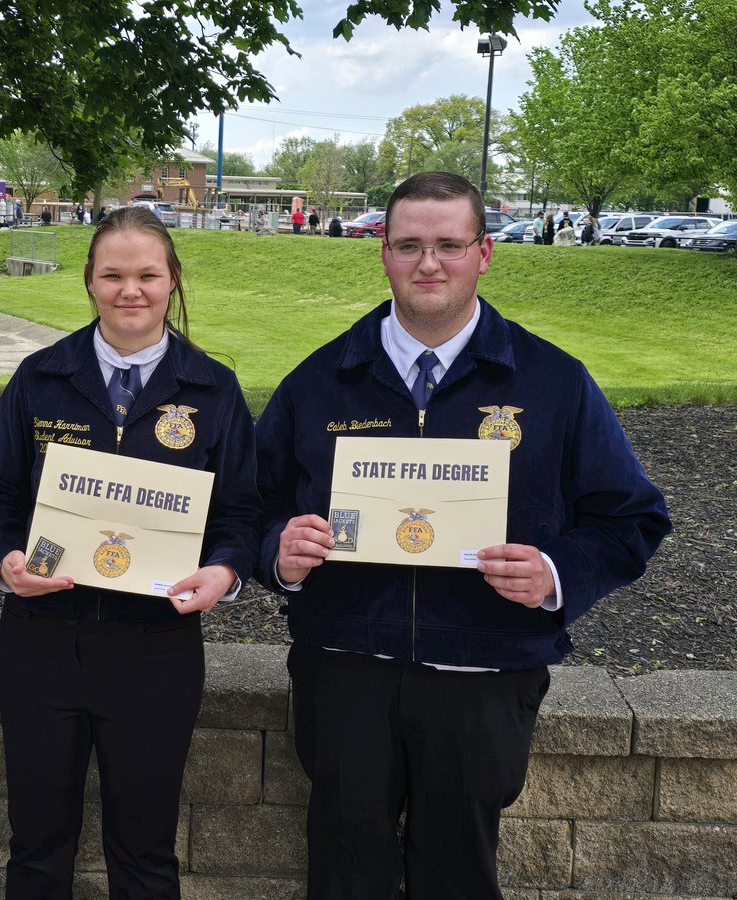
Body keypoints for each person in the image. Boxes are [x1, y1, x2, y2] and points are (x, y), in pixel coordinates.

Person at [255, 171, 670, 900]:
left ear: (484, 254)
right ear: (381, 251)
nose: (428, 263)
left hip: (485, 672)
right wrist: (276, 554)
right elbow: (245, 506)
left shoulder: (553, 382)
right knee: (347, 867)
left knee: (457, 874)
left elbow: (631, 515)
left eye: (450, 244)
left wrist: (555, 573)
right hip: (346, 663)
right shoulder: (321, 381)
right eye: (409, 244)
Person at [0, 206, 261, 900]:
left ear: (172, 280)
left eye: (147, 275)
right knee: (37, 846)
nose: (130, 290)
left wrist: (225, 570)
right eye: (113, 275)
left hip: (155, 648)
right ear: (89, 282)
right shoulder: (42, 378)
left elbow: (245, 511)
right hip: (44, 642)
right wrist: (6, 561)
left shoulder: (213, 390)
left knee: (145, 848)